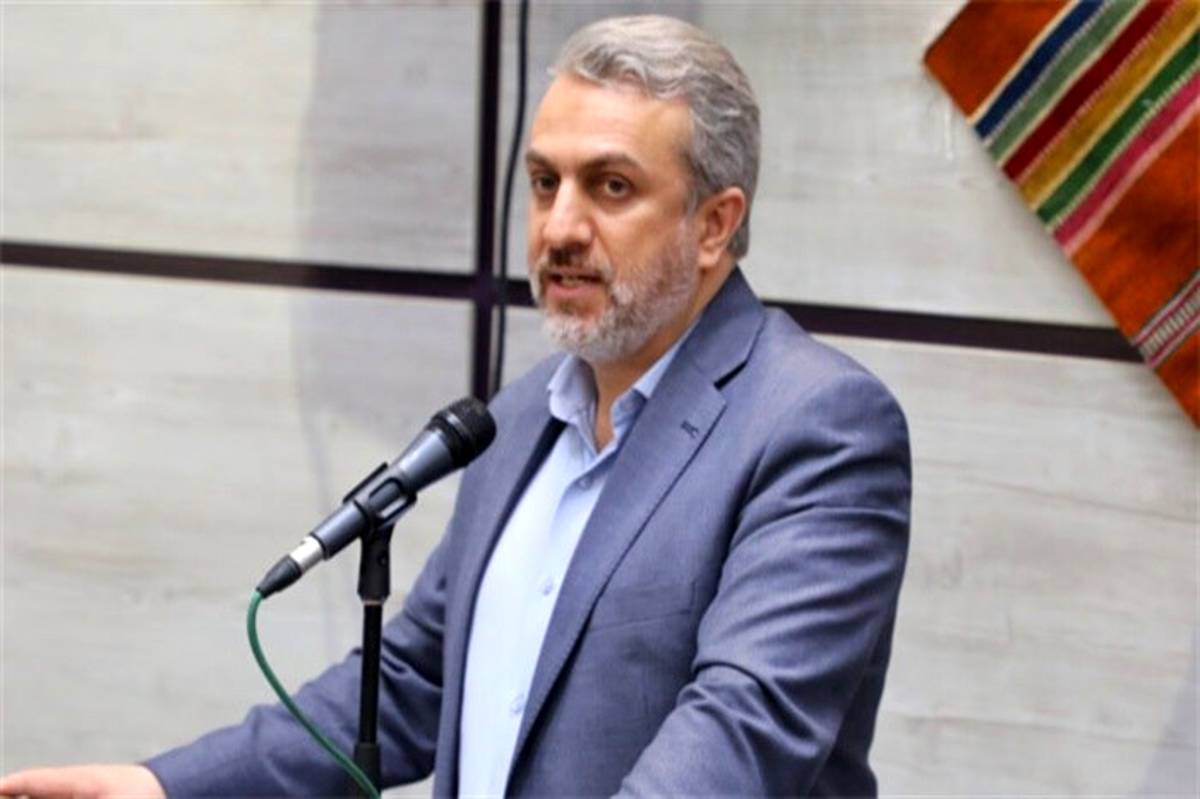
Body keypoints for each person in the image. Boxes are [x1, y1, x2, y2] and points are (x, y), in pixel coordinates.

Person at [0, 14, 910, 798]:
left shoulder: (816, 426)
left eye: (612, 186)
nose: (559, 228)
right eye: (545, 182)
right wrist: (167, 785)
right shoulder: (518, 418)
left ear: (714, 224)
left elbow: (740, 739)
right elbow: (413, 682)